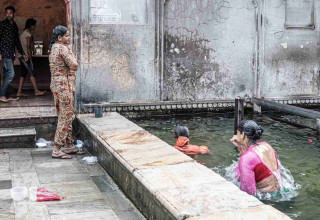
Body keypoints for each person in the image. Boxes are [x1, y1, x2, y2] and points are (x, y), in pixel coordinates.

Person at [49, 25, 82, 159]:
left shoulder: (53, 48)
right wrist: (71, 53)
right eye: (67, 36)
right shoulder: (62, 48)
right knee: (66, 115)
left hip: (56, 84)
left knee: (65, 113)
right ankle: (57, 149)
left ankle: (68, 145)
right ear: (60, 38)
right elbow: (74, 65)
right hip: (63, 85)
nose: (69, 38)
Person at [230, 120, 282, 195]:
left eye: (237, 133)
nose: (235, 136)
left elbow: (248, 192)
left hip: (266, 200)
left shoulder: (246, 158)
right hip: (279, 193)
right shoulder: (266, 145)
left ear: (242, 135)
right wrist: (240, 147)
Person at [0, 6, 28, 103]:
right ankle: (2, 95)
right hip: (4, 53)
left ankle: (6, 96)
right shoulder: (2, 24)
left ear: (13, 14)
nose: (8, 14)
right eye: (7, 13)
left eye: (10, 13)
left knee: (8, 74)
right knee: (11, 74)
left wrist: (23, 53)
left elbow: (17, 42)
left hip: (11, 54)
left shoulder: (14, 26)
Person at [16, 18, 46, 97]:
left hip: (20, 55)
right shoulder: (28, 34)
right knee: (31, 71)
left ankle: (19, 92)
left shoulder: (24, 32)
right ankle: (36, 91)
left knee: (23, 73)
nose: (35, 27)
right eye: (34, 25)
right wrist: (31, 59)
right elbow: (28, 47)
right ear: (31, 25)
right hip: (24, 56)